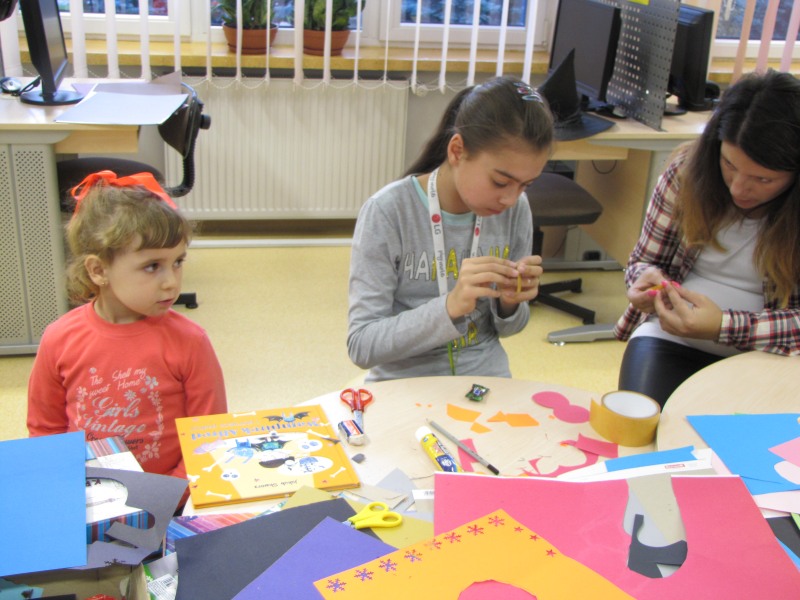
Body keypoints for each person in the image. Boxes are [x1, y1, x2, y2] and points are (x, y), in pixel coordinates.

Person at [347, 76, 555, 381]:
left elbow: (510, 328)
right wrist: (449, 307)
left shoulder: (515, 209)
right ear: (457, 151)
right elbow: (362, 345)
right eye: (500, 182)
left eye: (526, 185)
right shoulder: (388, 212)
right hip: (404, 382)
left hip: (484, 377)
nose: (510, 199)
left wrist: (510, 303)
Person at [27, 170, 228, 485]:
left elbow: (209, 435)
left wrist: (170, 493)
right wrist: (65, 487)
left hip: (170, 495)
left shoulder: (191, 341)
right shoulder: (59, 339)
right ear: (98, 270)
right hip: (88, 494)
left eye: (178, 262)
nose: (171, 282)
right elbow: (45, 430)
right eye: (152, 266)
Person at [616, 70, 800, 407]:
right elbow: (644, 261)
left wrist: (722, 326)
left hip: (775, 354)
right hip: (671, 339)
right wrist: (642, 282)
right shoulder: (687, 171)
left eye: (763, 179)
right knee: (642, 423)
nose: (739, 188)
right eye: (729, 164)